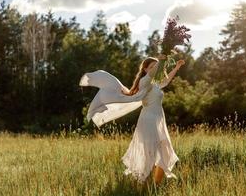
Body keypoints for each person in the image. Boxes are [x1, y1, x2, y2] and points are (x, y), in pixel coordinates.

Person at [79, 54, 185, 185]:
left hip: (158, 120)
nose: (155, 69)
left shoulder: (155, 83)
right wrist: (161, 60)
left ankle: (155, 185)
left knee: (164, 150)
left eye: (156, 67)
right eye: (152, 67)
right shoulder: (145, 81)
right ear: (145, 69)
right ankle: (145, 184)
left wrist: (177, 66)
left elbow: (166, 81)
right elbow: (153, 74)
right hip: (149, 120)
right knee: (151, 152)